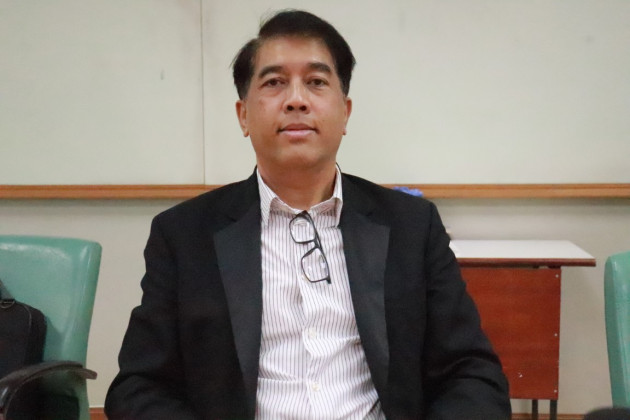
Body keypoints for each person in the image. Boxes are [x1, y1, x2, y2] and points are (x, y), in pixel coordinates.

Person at [105, 9, 511, 420]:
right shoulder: (184, 235)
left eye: (316, 82)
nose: (296, 99)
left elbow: (472, 373)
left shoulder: (412, 226)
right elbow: (139, 388)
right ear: (243, 115)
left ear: (345, 112)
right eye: (274, 82)